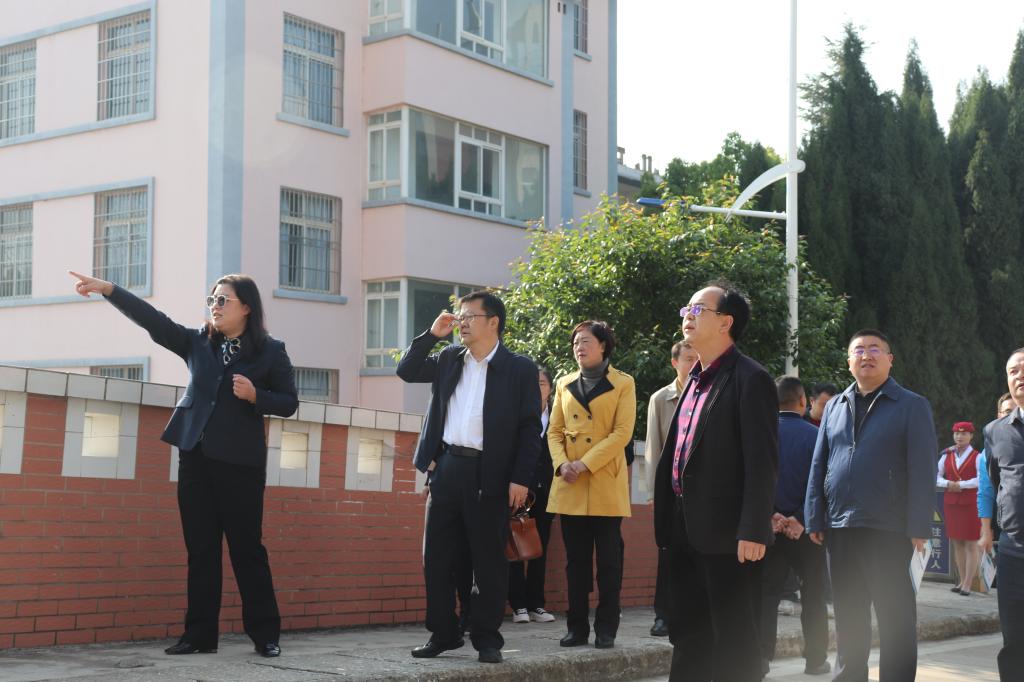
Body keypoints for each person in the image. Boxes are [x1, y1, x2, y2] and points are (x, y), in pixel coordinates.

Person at [68, 271, 297, 658]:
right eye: (212, 299)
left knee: (246, 550)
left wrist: (257, 395)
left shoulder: (271, 351)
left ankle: (265, 635)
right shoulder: (197, 342)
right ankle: (199, 636)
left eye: (223, 300)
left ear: (246, 307)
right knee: (201, 549)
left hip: (240, 465)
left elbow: (289, 402)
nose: (215, 306)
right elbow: (154, 322)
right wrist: (109, 289)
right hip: (195, 458)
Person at [397, 290, 540, 665]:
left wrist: (520, 478)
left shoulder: (519, 369)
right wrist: (432, 335)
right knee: (436, 557)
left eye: (469, 316)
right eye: (459, 316)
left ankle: (487, 638)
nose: (461, 322)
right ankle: (443, 633)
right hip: (446, 469)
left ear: (493, 322)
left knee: (488, 561)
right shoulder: (449, 358)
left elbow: (530, 428)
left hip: (490, 473)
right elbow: (407, 370)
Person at [652, 282, 778, 682]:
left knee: (735, 641)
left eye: (698, 310)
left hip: (729, 536)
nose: (688, 316)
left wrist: (753, 528)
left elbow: (762, 462)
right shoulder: (693, 380)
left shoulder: (750, 378)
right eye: (686, 309)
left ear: (726, 322)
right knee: (688, 634)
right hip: (683, 529)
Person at [805, 329, 936, 681]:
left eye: (875, 349)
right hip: (840, 527)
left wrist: (919, 525)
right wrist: (814, 516)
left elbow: (923, 469)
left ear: (889, 360)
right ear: (849, 361)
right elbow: (820, 464)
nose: (866, 355)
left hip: (889, 529)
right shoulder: (835, 406)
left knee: (895, 619)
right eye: (859, 350)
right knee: (849, 617)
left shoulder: (911, 405)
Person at [548, 320, 636, 650]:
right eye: (575, 343)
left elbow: (622, 433)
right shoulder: (563, 383)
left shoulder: (623, 383)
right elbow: (554, 432)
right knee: (576, 562)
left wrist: (585, 463)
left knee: (610, 561)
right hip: (569, 482)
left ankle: (606, 627)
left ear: (603, 345)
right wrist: (562, 464)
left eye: (585, 341)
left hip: (603, 481)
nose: (579, 347)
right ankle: (576, 627)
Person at [760, 376, 831, 677]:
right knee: (813, 596)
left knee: (765, 596)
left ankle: (760, 660)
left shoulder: (760, 435)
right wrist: (801, 518)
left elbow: (752, 481)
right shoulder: (817, 436)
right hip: (807, 532)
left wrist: (772, 516)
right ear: (803, 401)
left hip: (768, 530)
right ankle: (815, 660)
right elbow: (825, 485)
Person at [644, 340, 699, 638]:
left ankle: (691, 613)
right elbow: (653, 447)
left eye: (697, 358)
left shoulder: (708, 393)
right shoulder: (660, 399)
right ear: (674, 362)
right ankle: (663, 615)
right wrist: (654, 493)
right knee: (667, 555)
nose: (693, 363)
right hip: (671, 489)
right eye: (688, 358)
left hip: (701, 491)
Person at [981, 349, 1024, 679]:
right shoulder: (995, 431)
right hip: (1013, 550)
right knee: (1014, 638)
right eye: (1013, 371)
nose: (1019, 376)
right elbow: (997, 482)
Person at [507, 368, 557, 624]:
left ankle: (537, 603)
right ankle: (518, 605)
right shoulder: (516, 414)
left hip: (547, 491)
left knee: (541, 547)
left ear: (551, 389)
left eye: (542, 383)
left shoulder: (558, 417)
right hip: (519, 489)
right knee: (516, 543)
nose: (537, 388)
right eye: (533, 383)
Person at [937, 422, 982, 596]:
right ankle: (961, 580)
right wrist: (949, 483)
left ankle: (968, 583)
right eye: (956, 433)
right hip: (951, 504)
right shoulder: (946, 455)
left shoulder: (977, 456)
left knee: (971, 543)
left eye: (964, 433)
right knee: (957, 543)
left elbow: (981, 479)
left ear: (971, 436)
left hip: (970, 504)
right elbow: (936, 476)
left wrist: (960, 485)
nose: (959, 436)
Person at [978, 393, 1016, 549]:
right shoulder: (988, 452)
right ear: (999, 415)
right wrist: (986, 528)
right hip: (1006, 528)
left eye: (1017, 410)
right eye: (1007, 411)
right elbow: (986, 491)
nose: (1013, 416)